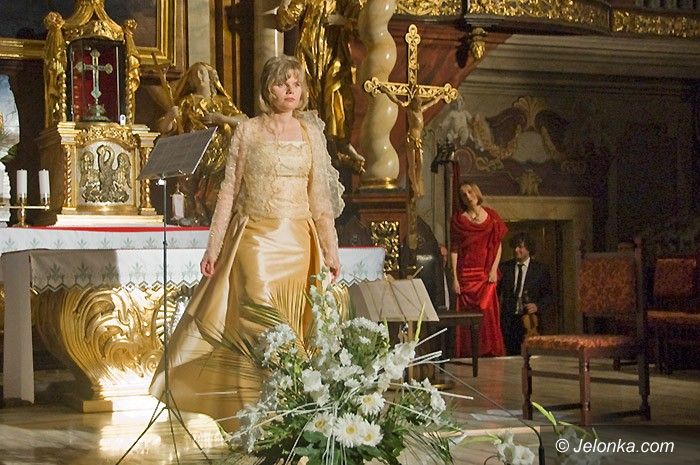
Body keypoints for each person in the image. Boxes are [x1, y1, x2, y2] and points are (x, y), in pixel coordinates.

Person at [150, 55, 345, 431]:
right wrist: (213, 247)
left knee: (294, 328)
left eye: (296, 84)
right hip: (254, 239)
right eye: (282, 83)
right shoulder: (248, 131)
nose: (291, 90)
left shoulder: (311, 134)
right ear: (267, 89)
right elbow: (228, 193)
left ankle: (289, 414)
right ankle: (255, 415)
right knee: (258, 322)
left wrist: (330, 250)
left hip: (300, 244)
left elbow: (320, 198)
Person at [276, 0, 366, 173]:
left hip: (336, 56)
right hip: (309, 56)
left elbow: (365, 26)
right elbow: (285, 21)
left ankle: (341, 145)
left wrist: (343, 21)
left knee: (338, 96)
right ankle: (310, 146)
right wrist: (284, 4)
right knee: (308, 101)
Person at [157, 62, 247, 225]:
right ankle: (194, 215)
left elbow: (243, 120)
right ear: (190, 81)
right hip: (194, 152)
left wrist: (222, 118)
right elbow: (165, 128)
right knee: (190, 186)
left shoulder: (222, 102)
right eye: (194, 74)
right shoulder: (187, 102)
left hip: (219, 155)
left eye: (202, 72)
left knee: (216, 188)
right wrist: (170, 117)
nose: (199, 77)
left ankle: (215, 217)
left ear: (211, 77)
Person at [450, 181, 507, 357]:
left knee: (487, 312)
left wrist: (494, 269)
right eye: (463, 195)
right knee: (466, 315)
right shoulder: (459, 220)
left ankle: (489, 350)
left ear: (476, 192)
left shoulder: (492, 217)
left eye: (470, 192)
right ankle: (468, 352)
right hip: (465, 276)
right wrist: (455, 278)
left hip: (485, 275)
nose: (468, 197)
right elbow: (454, 250)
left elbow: (498, 245)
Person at [498, 232, 553, 356]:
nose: (516, 250)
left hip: (531, 322)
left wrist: (537, 306)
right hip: (509, 322)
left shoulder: (540, 269)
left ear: (529, 248)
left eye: (520, 247)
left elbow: (548, 295)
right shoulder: (504, 268)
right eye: (515, 247)